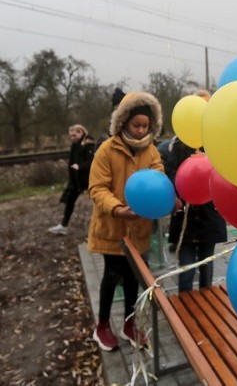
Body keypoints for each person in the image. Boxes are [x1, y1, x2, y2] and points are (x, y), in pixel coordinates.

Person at [87, 91, 164, 351]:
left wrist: (167, 200)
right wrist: (118, 209)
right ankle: (102, 325)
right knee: (111, 276)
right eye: (136, 125)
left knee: (133, 278)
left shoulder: (151, 150)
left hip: (139, 229)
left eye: (145, 126)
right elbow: (97, 188)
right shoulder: (106, 150)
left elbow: (158, 180)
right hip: (113, 228)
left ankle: (129, 323)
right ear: (123, 124)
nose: (142, 131)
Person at [165, 90, 228, 292]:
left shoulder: (217, 142)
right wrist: (181, 193)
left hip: (210, 217)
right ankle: (185, 313)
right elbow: (172, 173)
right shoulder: (177, 146)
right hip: (186, 218)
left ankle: (206, 309)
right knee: (186, 270)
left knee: (206, 267)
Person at [48, 124, 95, 235]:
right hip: (76, 180)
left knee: (99, 201)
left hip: (88, 179)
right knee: (70, 200)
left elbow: (91, 162)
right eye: (71, 136)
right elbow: (72, 161)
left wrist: (79, 166)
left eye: (74, 135)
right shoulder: (75, 145)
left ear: (81, 132)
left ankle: (104, 225)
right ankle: (64, 225)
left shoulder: (88, 144)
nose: (72, 138)